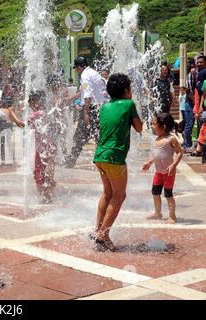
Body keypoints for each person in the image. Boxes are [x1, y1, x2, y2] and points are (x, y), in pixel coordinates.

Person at [92, 73, 143, 251]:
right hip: (115, 156)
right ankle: (103, 234)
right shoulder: (129, 104)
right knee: (119, 195)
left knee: (107, 193)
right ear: (126, 90)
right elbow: (139, 128)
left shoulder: (104, 107)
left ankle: (97, 230)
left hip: (100, 155)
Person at [67, 56, 108, 168]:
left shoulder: (85, 75)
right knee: (98, 136)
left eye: (76, 68)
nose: (76, 70)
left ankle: (70, 161)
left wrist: (85, 113)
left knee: (79, 136)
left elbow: (88, 95)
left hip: (91, 109)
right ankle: (105, 160)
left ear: (80, 67)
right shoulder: (93, 73)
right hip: (100, 108)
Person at [142, 113, 183, 224]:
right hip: (158, 173)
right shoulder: (156, 139)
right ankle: (157, 213)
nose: (152, 125)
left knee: (168, 194)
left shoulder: (171, 139)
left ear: (163, 126)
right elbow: (156, 155)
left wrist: (173, 165)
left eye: (154, 124)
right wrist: (149, 163)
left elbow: (180, 152)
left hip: (168, 173)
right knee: (155, 193)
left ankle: (172, 216)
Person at [28, 91, 57, 203]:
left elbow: (28, 125)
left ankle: (46, 197)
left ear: (34, 102)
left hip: (42, 148)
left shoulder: (34, 115)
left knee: (40, 172)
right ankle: (48, 193)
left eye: (30, 103)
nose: (29, 105)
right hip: (50, 146)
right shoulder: (47, 113)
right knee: (48, 171)